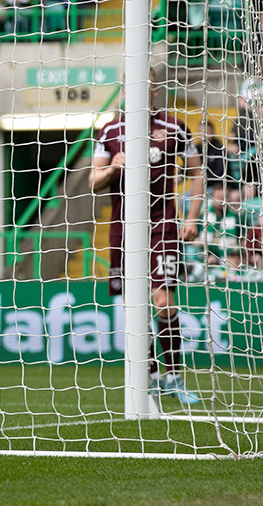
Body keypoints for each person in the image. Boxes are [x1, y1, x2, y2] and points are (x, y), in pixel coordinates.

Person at [91, 67, 203, 405]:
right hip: (123, 225)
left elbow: (197, 173)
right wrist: (113, 166)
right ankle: (151, 374)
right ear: (123, 91)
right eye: (129, 87)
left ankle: (174, 375)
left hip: (162, 221)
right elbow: (92, 181)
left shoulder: (173, 127)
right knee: (132, 304)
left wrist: (192, 217)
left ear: (155, 91)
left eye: (145, 86)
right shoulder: (110, 130)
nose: (136, 92)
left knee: (163, 300)